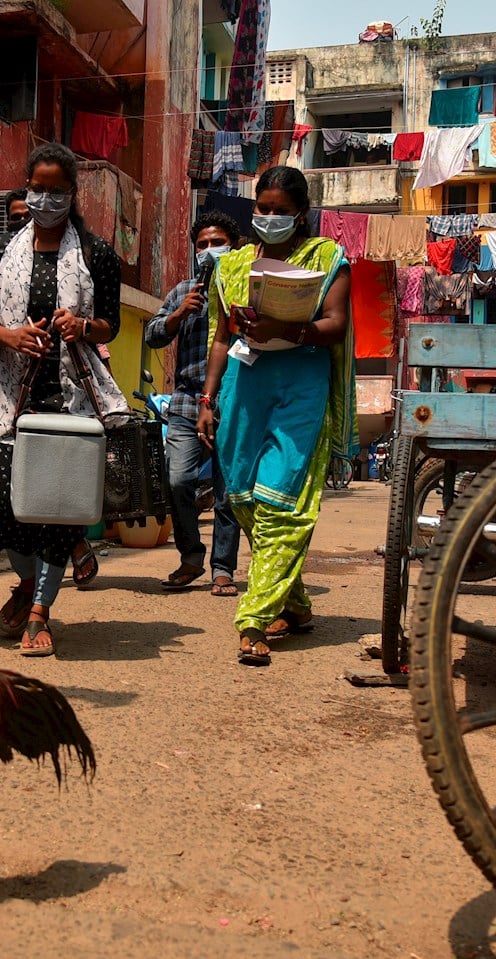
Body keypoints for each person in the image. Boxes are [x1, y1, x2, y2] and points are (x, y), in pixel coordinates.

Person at [196, 166, 357, 666]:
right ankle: (297, 603)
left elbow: (336, 324)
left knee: (281, 502)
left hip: (302, 390)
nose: (269, 217)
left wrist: (289, 327)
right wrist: (207, 399)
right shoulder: (233, 266)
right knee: (243, 497)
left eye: (280, 211)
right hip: (243, 390)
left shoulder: (327, 258)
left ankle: (254, 618)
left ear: (301, 215)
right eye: (262, 209)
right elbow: (221, 338)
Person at [0, 142, 128, 656]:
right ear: (26, 187)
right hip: (8, 399)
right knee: (0, 502)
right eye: (37, 189)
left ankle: (40, 610)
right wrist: (9, 336)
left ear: (72, 193)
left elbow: (113, 322)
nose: (44, 199)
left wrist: (81, 325)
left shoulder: (97, 253)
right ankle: (27, 579)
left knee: (57, 509)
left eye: (55, 191)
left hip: (68, 399)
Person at [144, 211, 242, 597]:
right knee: (178, 479)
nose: (208, 250)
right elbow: (152, 334)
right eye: (202, 245)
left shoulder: (244, 285)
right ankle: (190, 555)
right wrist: (179, 314)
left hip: (232, 401)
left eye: (216, 243)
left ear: (233, 245)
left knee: (227, 492)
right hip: (185, 402)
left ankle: (223, 568)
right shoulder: (182, 290)